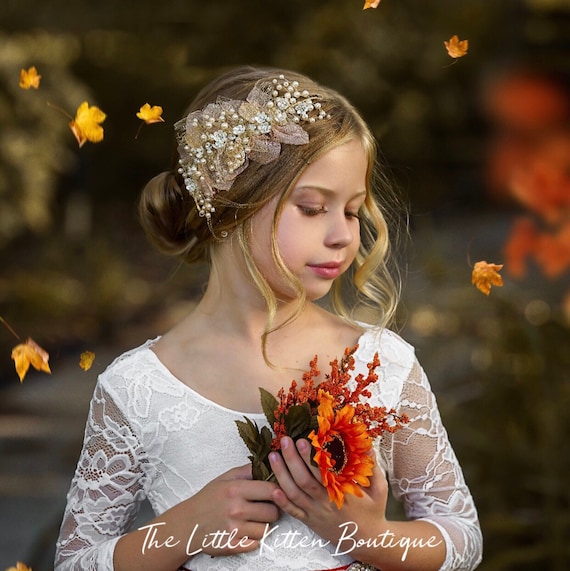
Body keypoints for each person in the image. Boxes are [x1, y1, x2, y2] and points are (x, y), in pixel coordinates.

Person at [54, 66, 482, 571]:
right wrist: (179, 531)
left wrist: (369, 536)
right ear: (231, 206)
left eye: (352, 210)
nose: (344, 235)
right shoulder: (137, 388)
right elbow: (75, 560)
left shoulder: (381, 363)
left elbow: (462, 537)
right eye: (311, 207)